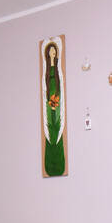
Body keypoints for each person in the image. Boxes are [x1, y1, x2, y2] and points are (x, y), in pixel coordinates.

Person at [42, 41, 66, 176]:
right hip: (49, 100)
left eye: (54, 50)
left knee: (56, 126)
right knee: (50, 127)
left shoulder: (58, 70)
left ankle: (59, 162)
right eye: (51, 50)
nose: (53, 52)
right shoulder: (46, 72)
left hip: (56, 100)